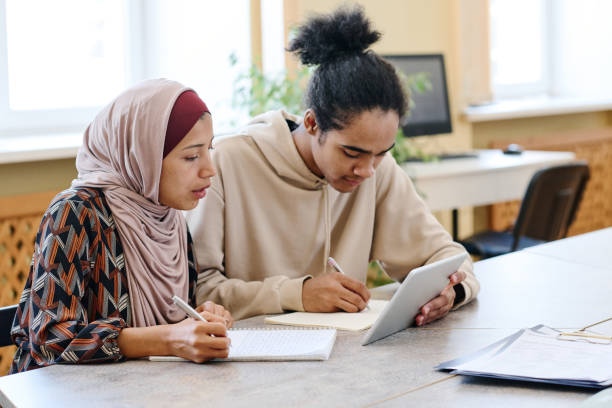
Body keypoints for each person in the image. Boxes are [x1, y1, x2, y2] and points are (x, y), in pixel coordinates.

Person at [186, 6, 480, 322]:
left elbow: (447, 258)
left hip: (342, 356)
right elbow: (197, 291)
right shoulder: (226, 162)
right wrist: (297, 294)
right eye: (352, 153)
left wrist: (451, 291)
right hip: (245, 356)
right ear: (312, 123)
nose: (367, 170)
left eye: (380, 153)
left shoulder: (378, 170)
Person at [10, 79, 234, 374]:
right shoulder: (75, 212)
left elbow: (176, 320)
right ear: (142, 155)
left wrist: (200, 318)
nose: (209, 169)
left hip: (148, 388)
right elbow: (51, 339)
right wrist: (168, 338)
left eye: (209, 149)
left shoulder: (168, 218)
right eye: (191, 156)